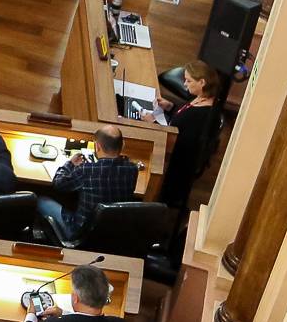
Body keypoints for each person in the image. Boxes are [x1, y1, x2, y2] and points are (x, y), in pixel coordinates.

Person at [152, 61, 222, 259]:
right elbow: (182, 118)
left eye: (189, 81)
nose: (185, 85)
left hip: (178, 167)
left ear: (202, 82)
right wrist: (170, 106)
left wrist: (155, 123)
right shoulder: (200, 99)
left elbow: (180, 140)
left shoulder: (204, 115)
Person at [37, 125, 138, 243]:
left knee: (41, 200)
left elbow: (59, 184)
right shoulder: (132, 169)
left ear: (97, 146)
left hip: (80, 233)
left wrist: (69, 164)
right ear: (123, 145)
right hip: (112, 234)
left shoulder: (86, 170)